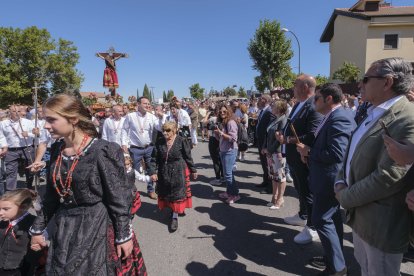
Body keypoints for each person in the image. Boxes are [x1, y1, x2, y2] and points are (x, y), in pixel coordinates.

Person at [29, 94, 146, 275]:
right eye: (45, 119)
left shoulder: (102, 150)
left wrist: (123, 236)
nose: (45, 125)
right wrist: (38, 228)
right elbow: (52, 197)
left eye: (51, 120)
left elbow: (119, 198)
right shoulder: (57, 151)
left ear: (73, 119)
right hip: (65, 229)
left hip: (96, 227)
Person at [335, 57, 414, 275]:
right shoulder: (374, 111)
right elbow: (352, 151)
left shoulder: (407, 117)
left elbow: (389, 176)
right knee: (364, 269)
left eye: (366, 79)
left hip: (381, 225)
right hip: (362, 217)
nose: (360, 84)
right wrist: (341, 179)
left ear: (387, 82)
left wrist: (345, 197)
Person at [297, 84, 356, 275]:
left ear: (329, 99)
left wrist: (309, 151)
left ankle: (337, 268)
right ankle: (334, 258)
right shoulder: (332, 116)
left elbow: (336, 154)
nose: (314, 101)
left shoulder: (339, 117)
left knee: (321, 219)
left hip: (329, 178)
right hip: (325, 176)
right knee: (331, 218)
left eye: (317, 98)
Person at [276, 74, 323, 245]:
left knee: (307, 191)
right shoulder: (298, 104)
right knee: (299, 188)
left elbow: (312, 134)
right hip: (294, 156)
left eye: (295, 84)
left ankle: (312, 227)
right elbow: (292, 126)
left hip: (303, 157)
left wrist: (287, 139)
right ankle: (303, 215)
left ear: (304, 87)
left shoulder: (314, 105)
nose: (292, 87)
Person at [148, 121, 197, 232]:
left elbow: (188, 157)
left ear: (174, 130)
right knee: (166, 192)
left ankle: (174, 217)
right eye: (163, 130)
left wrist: (193, 170)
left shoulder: (181, 141)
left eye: (168, 130)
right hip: (163, 171)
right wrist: (152, 172)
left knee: (176, 193)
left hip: (178, 171)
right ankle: (172, 209)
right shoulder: (159, 141)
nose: (165, 133)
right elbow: (153, 159)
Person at [121, 96, 163, 200]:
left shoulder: (151, 116)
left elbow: (159, 127)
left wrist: (161, 118)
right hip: (135, 149)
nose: (148, 105)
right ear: (138, 105)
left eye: (149, 104)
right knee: (133, 171)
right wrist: (124, 143)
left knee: (151, 169)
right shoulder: (130, 116)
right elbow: (125, 130)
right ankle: (132, 190)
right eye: (145, 103)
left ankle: (150, 190)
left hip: (149, 148)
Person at [0, 189, 43, 275]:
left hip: (19, 269)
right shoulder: (4, 222)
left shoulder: (33, 223)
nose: (1, 213)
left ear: (22, 207)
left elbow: (36, 251)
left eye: (6, 209)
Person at [0, 105, 35, 191]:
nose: (17, 113)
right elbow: (1, 136)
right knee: (10, 171)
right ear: (10, 112)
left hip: (27, 149)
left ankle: (29, 187)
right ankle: (10, 191)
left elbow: (37, 134)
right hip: (11, 150)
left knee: (30, 169)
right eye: (14, 111)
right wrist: (4, 146)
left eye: (19, 111)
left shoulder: (28, 122)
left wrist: (29, 134)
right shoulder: (3, 124)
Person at [262, 100, 288, 209]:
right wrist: (264, 147)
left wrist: (269, 150)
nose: (272, 106)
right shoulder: (274, 119)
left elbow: (279, 139)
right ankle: (274, 197)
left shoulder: (283, 120)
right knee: (273, 176)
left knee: (280, 176)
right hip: (270, 152)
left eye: (274, 105)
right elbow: (267, 134)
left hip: (278, 152)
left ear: (279, 108)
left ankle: (280, 199)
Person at [215, 104, 240, 204]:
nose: (222, 113)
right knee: (227, 174)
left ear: (228, 112)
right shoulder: (223, 122)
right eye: (220, 112)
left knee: (228, 174)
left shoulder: (231, 122)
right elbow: (221, 138)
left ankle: (235, 195)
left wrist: (221, 133)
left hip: (230, 151)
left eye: (224, 111)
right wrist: (217, 134)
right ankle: (229, 192)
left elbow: (233, 138)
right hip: (224, 150)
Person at [255, 95, 275, 194]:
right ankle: (266, 181)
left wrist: (267, 144)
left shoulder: (270, 111)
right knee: (264, 163)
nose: (258, 100)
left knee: (268, 164)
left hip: (265, 142)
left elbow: (270, 129)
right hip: (260, 141)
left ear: (266, 100)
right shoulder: (263, 110)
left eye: (260, 99)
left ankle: (270, 187)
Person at [203, 108, 224, 186]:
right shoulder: (223, 119)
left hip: (213, 139)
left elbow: (204, 122)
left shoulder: (213, 118)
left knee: (215, 160)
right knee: (221, 159)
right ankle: (223, 176)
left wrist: (208, 114)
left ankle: (218, 179)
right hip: (222, 139)